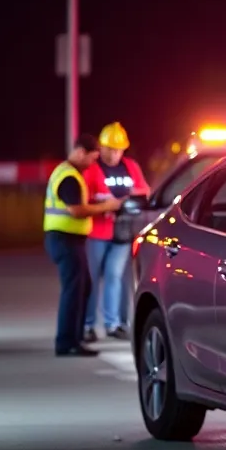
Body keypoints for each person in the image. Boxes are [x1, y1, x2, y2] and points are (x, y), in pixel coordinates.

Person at [44, 135, 124, 356]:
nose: (92, 163)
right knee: (74, 290)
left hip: (68, 240)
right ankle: (66, 343)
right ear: (80, 152)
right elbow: (76, 210)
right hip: (65, 239)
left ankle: (74, 339)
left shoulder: (69, 173)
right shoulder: (69, 176)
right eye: (92, 158)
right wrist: (106, 206)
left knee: (82, 288)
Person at [82, 122, 149, 341]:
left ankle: (115, 324)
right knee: (91, 278)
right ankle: (88, 325)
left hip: (122, 232)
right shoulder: (91, 168)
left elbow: (145, 191)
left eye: (118, 149)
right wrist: (104, 202)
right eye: (110, 149)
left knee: (115, 276)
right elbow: (84, 196)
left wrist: (131, 196)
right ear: (101, 148)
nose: (114, 154)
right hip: (96, 231)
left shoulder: (130, 166)